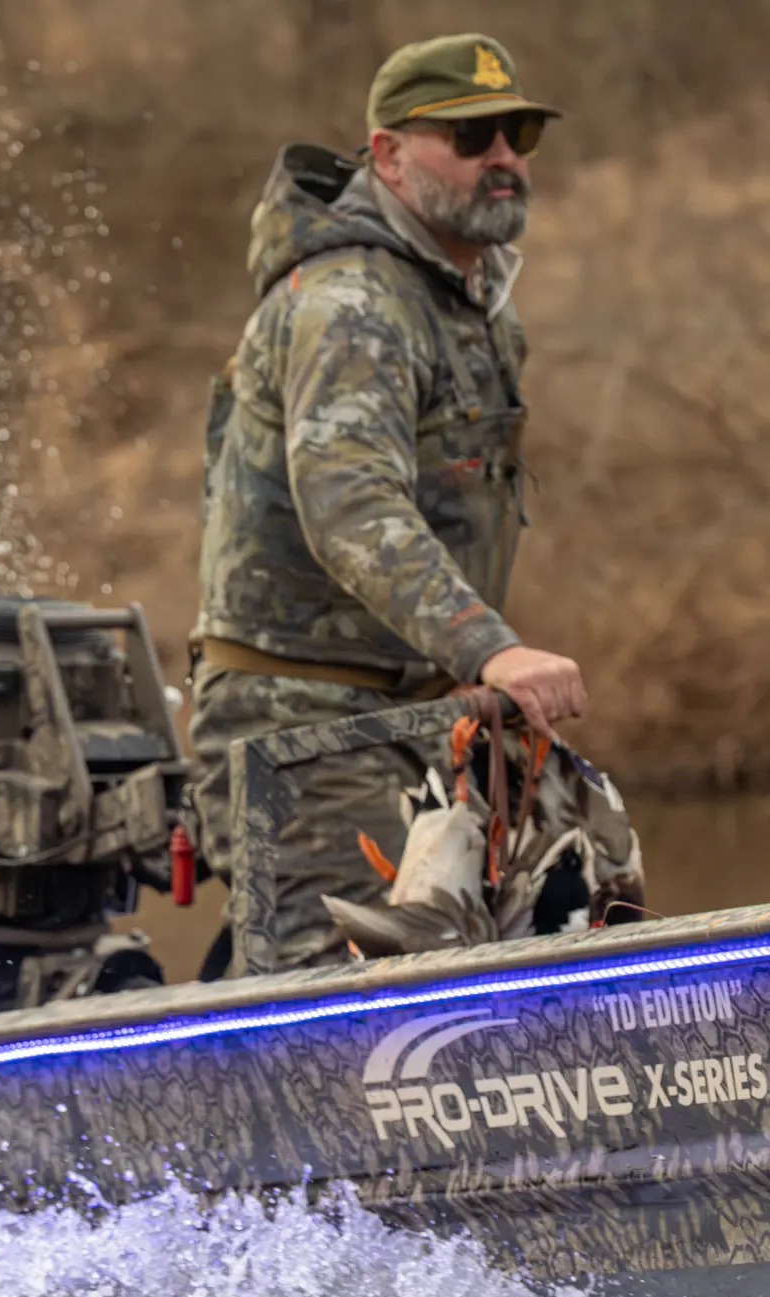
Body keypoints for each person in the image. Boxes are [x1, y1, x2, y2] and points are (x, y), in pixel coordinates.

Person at [190, 33, 586, 972]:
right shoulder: (351, 305)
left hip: (419, 721)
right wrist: (488, 646)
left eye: (517, 131)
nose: (502, 156)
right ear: (387, 156)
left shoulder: (472, 300)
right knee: (344, 1019)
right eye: (469, 134)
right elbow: (351, 507)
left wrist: (456, 670)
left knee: (547, 928)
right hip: (300, 732)